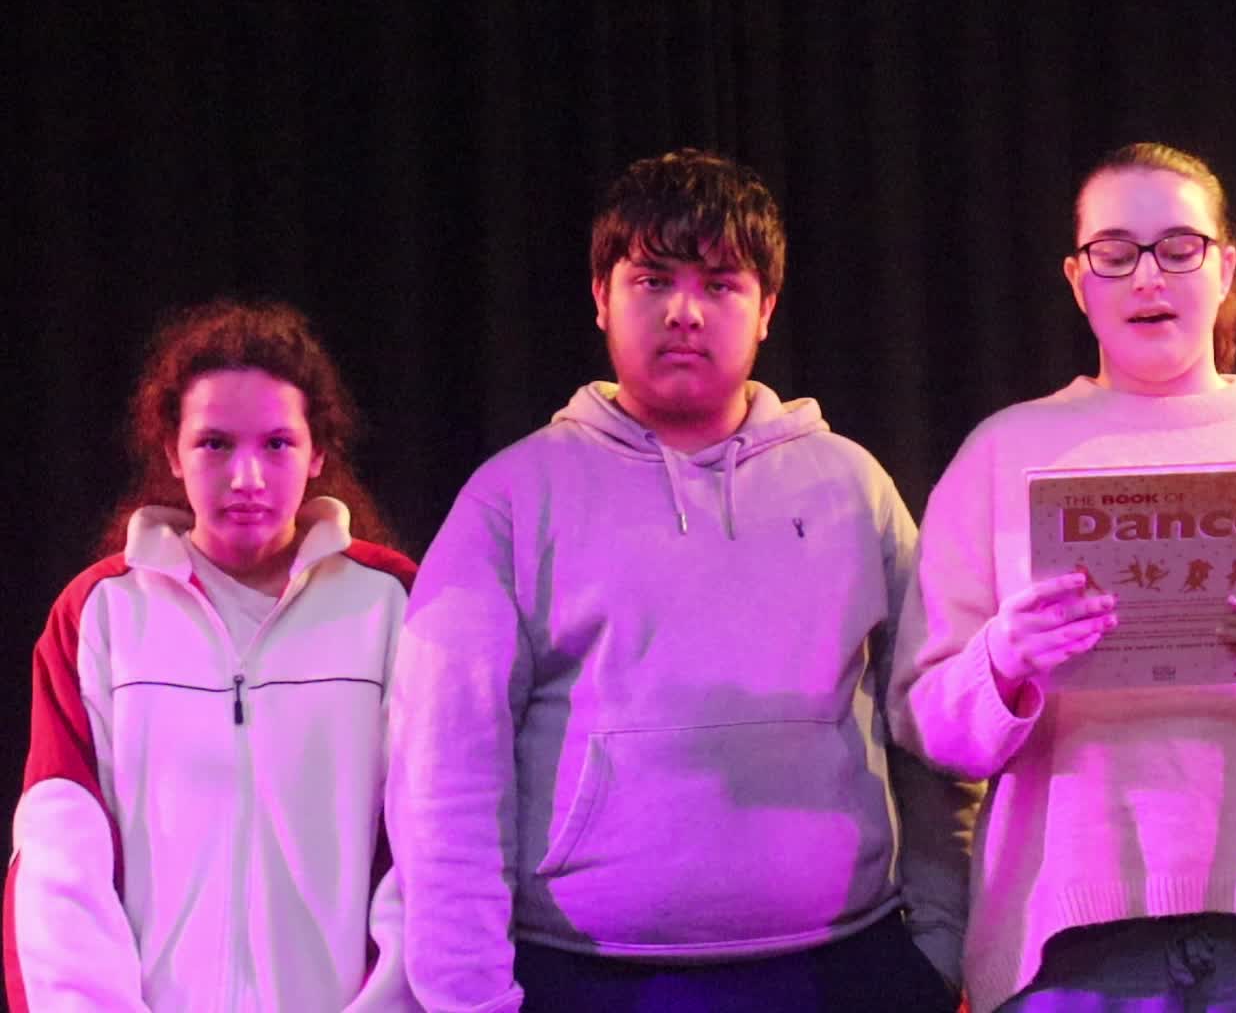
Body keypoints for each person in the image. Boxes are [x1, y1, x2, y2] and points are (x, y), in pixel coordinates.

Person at [387, 148, 973, 1012]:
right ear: (601, 297)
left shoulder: (852, 485)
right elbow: (445, 771)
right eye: (652, 280)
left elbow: (930, 723)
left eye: (720, 284)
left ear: (767, 309)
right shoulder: (513, 497)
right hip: (587, 981)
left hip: (843, 972)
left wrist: (944, 944)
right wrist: (468, 999)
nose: (685, 312)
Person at [889, 142, 1236, 1012]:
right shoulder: (1002, 451)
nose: (1148, 276)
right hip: (1071, 947)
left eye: (1179, 248)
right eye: (1115, 252)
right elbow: (928, 725)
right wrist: (1003, 660)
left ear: (1224, 268)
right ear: (1078, 281)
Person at [3, 300, 417, 1011]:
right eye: (215, 444)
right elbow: (58, 859)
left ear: (318, 452)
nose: (246, 476)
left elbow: (432, 848)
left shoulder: (391, 607)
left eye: (277, 444)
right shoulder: (100, 615)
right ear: (172, 451)